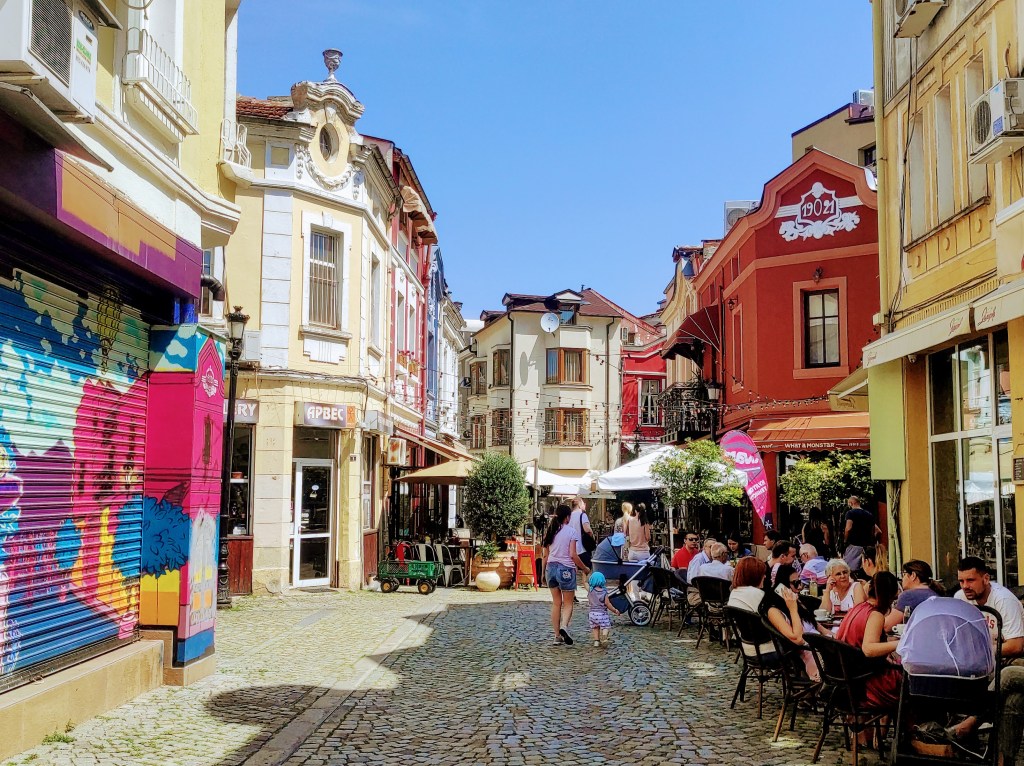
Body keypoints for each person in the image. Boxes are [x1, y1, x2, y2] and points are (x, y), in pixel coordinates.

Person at [836, 572, 902, 710]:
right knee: (909, 688)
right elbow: (869, 649)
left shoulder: (857, 608)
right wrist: (902, 643)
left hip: (846, 675)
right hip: (866, 682)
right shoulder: (875, 614)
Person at [764, 563, 827, 681]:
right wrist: (792, 609)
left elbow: (818, 627)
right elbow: (797, 639)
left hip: (822, 644)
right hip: (810, 652)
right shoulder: (774, 611)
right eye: (795, 583)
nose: (800, 587)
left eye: (800, 582)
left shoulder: (798, 602)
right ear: (781, 586)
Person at [953, 556, 1024, 659]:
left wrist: (978, 653)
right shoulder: (960, 597)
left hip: (1008, 659)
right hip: (979, 658)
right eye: (961, 581)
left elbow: (1015, 646)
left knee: (1007, 674)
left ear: (986, 579)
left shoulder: (1004, 600)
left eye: (970, 580)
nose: (965, 586)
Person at [542, 503, 591, 646]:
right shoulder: (571, 532)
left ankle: (557, 636)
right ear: (567, 517)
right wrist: (584, 568)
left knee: (556, 603)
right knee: (568, 603)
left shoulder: (550, 532)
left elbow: (545, 555)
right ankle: (564, 626)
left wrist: (542, 573)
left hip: (550, 568)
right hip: (566, 569)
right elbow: (573, 555)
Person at [728, 556, 776, 659]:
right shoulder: (758, 595)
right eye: (763, 574)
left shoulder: (734, 592)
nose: (765, 577)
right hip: (765, 650)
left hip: (746, 647)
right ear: (755, 575)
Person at [842, 496, 882, 571]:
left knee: (848, 569)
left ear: (851, 503)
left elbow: (848, 528)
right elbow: (878, 531)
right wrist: (872, 541)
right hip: (867, 546)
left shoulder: (850, 513)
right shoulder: (869, 515)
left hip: (854, 545)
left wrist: (845, 540)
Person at [586, 571, 621, 647]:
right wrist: (615, 610)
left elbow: (584, 583)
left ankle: (596, 641)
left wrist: (584, 573)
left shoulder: (590, 590)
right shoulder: (604, 592)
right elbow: (607, 604)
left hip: (592, 614)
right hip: (602, 614)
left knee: (595, 627)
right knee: (606, 626)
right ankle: (604, 637)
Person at [569, 496, 595, 570]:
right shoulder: (582, 515)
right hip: (582, 548)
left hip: (571, 549)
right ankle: (584, 581)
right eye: (583, 503)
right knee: (586, 569)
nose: (585, 505)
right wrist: (591, 535)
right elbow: (587, 529)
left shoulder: (569, 516)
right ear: (579, 505)